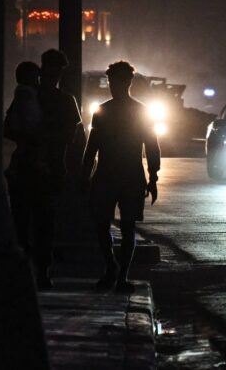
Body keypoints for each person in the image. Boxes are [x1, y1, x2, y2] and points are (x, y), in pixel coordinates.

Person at [81, 60, 161, 293]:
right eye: (112, 81)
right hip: (126, 174)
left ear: (125, 82)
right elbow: (152, 145)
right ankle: (117, 272)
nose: (113, 85)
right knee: (117, 225)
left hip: (112, 174)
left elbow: (92, 147)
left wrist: (153, 176)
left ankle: (115, 271)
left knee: (115, 225)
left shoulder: (105, 111)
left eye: (116, 81)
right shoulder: (137, 111)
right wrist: (152, 176)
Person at [3, 61, 52, 287]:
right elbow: (35, 130)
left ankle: (26, 268)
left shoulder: (18, 99)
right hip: (31, 168)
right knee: (39, 221)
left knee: (22, 221)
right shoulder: (29, 98)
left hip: (20, 167)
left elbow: (9, 129)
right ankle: (37, 271)